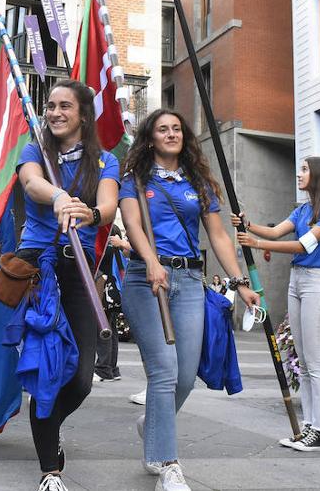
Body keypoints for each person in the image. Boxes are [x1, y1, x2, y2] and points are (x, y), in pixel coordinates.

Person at [118, 109, 260, 490]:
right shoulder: (134, 178)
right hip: (146, 280)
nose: (170, 134)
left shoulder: (199, 183)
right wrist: (150, 262)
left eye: (176, 129)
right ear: (149, 138)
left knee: (185, 375)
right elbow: (132, 224)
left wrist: (241, 282)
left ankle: (152, 426)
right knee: (164, 371)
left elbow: (217, 236)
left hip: (190, 278)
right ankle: (167, 464)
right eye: (162, 129)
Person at [14, 79, 119, 491]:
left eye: (64, 107)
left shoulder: (106, 160)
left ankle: (47, 422)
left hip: (78, 268)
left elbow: (108, 204)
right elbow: (30, 183)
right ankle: (50, 471)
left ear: (83, 115)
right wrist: (58, 197)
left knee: (79, 378)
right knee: (47, 369)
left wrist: (89, 213)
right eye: (50, 106)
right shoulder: (34, 150)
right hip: (37, 265)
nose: (55, 113)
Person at [233, 157, 320, 452]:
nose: (299, 174)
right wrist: (248, 225)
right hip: (298, 282)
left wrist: (255, 244)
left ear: (319, 176)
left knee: (316, 359)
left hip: (318, 283)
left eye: (305, 170)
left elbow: (304, 245)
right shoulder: (303, 209)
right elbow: (274, 232)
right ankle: (311, 425)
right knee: (304, 360)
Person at [94, 229, 129, 384]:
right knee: (111, 329)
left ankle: (103, 369)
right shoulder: (117, 247)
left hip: (105, 290)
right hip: (115, 292)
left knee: (103, 329)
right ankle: (112, 369)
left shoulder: (107, 245)